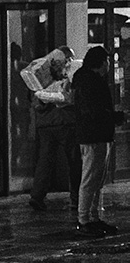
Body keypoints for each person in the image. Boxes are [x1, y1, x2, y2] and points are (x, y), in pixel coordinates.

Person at [21, 44, 78, 212]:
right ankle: (76, 198)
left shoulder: (39, 71)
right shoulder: (68, 72)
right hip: (65, 121)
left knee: (45, 160)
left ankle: (37, 196)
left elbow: (33, 97)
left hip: (45, 123)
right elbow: (69, 96)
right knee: (74, 161)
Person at [70, 44, 118, 239]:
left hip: (98, 135)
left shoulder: (88, 80)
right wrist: (115, 117)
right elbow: (94, 111)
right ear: (100, 62)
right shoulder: (90, 82)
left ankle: (93, 216)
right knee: (91, 179)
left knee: (96, 179)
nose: (109, 65)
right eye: (107, 61)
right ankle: (85, 219)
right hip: (94, 136)